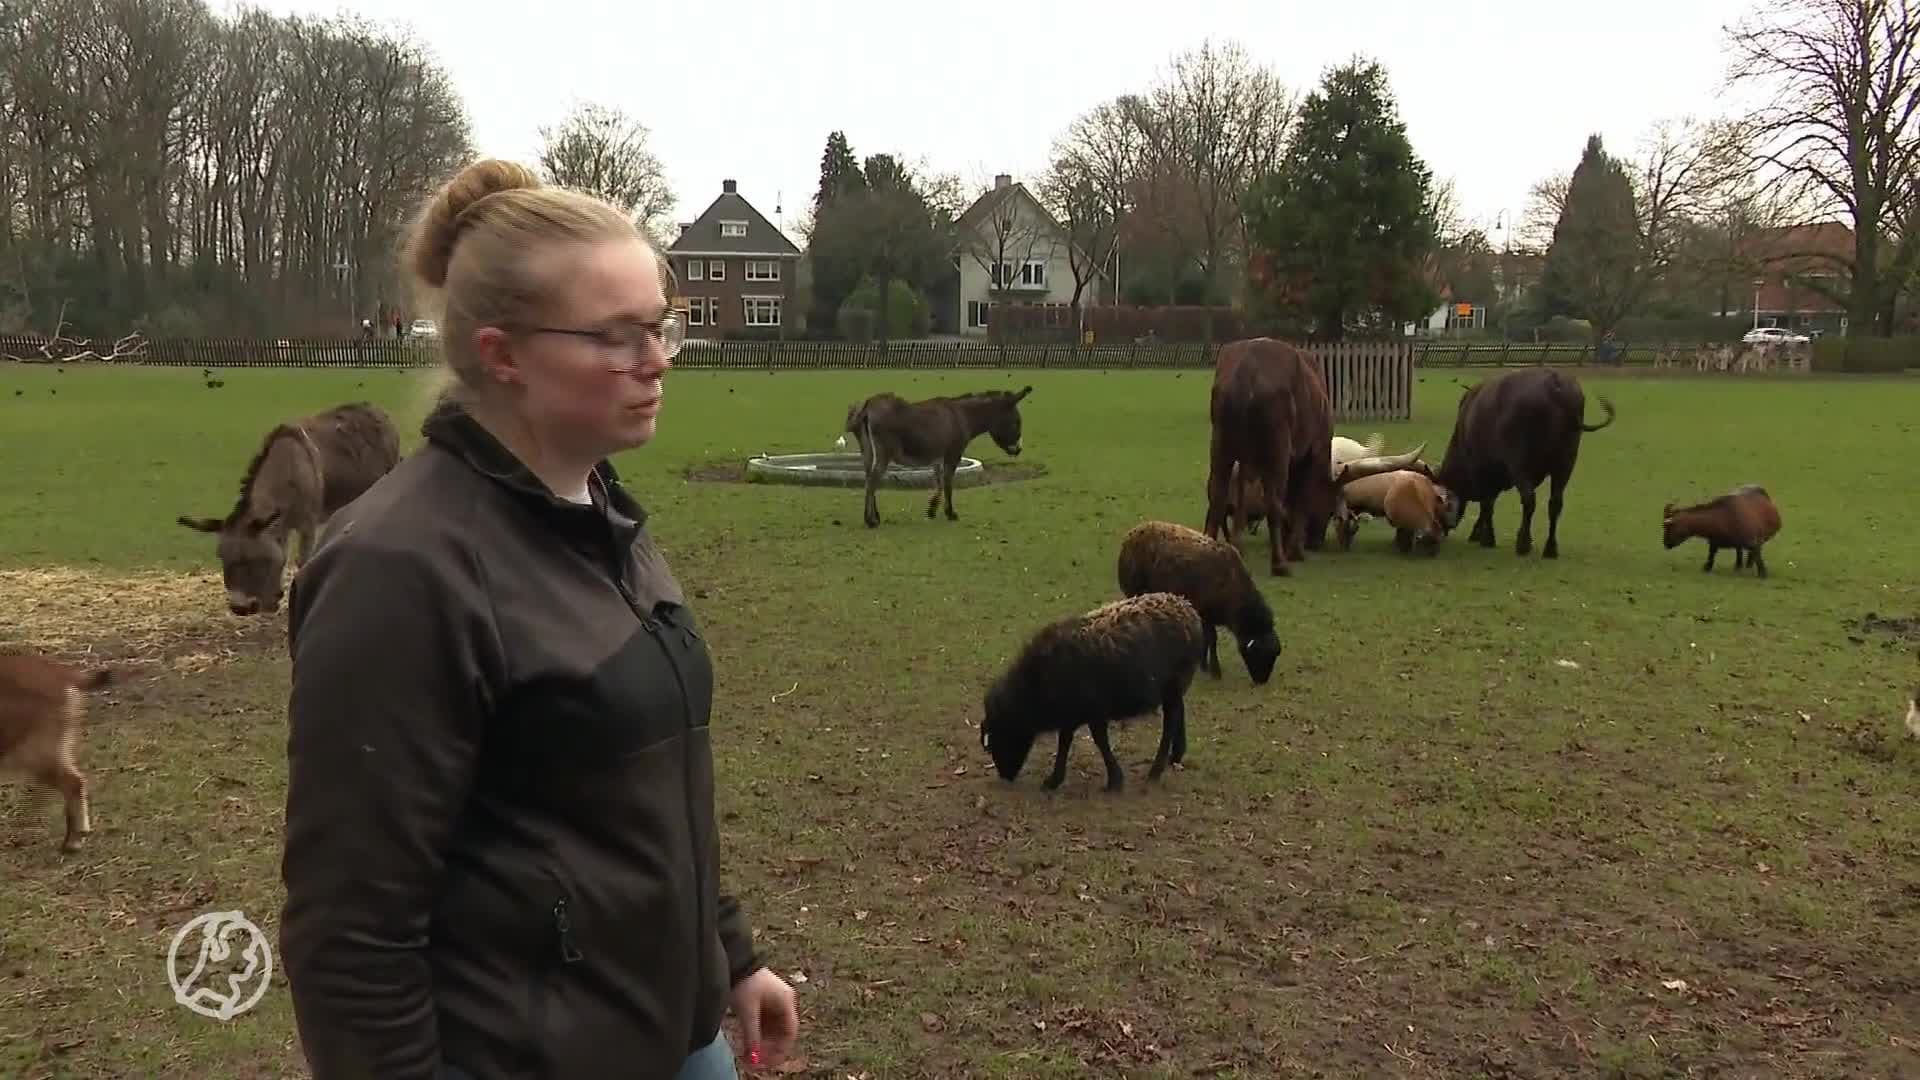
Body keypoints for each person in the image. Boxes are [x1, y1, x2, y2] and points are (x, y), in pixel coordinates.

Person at [277, 158, 799, 1079]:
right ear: (502, 354)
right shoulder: (398, 569)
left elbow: (649, 788)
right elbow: (352, 931)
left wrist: (732, 955)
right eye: (615, 336)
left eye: (659, 324)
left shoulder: (604, 514)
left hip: (679, 1043)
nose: (657, 359)